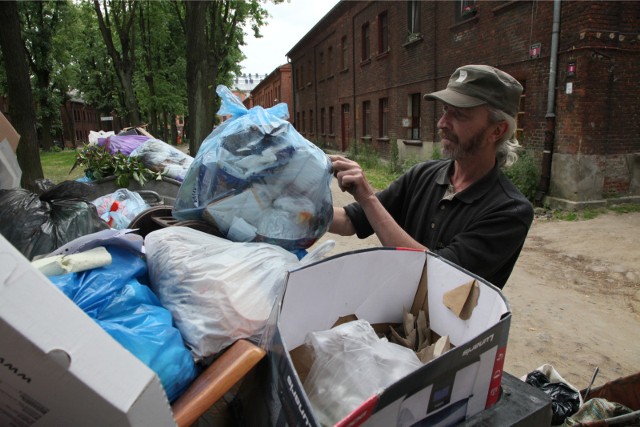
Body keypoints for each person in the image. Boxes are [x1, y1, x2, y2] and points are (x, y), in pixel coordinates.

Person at [329, 64, 534, 289]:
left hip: (452, 324)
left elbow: (435, 275)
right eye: (446, 110)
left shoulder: (510, 210)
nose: (442, 123)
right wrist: (292, 206)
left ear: (497, 131)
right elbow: (351, 221)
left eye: (460, 114)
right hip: (400, 316)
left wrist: (368, 199)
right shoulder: (423, 175)